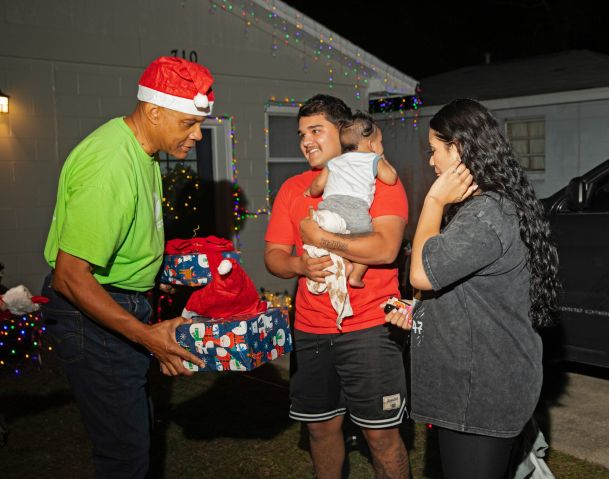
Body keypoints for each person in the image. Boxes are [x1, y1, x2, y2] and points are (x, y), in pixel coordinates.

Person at [40, 56, 214, 478]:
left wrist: (154, 276)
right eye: (188, 123)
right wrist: (147, 336)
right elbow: (69, 276)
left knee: (135, 436)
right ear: (153, 111)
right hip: (93, 314)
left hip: (118, 303)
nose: (197, 135)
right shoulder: (110, 163)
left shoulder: (142, 150)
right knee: (125, 455)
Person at [386, 98, 560, 479]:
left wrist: (433, 200)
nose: (431, 162)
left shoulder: (485, 214)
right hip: (483, 387)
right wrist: (421, 312)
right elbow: (479, 294)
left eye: (434, 151)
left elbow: (421, 274)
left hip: (480, 396)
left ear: (459, 148)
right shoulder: (490, 207)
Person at [264, 94, 410, 479]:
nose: (306, 141)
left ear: (343, 131)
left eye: (315, 131)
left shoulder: (378, 179)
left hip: (369, 327)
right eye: (301, 134)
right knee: (320, 429)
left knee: (381, 436)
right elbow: (274, 255)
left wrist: (321, 239)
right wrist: (298, 264)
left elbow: (385, 248)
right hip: (311, 329)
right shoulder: (293, 189)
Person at [305, 111, 398, 288]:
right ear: (371, 145)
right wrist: (382, 158)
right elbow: (391, 178)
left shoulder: (334, 162)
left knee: (335, 239)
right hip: (355, 211)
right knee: (365, 243)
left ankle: (343, 264)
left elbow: (318, 185)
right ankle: (355, 274)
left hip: (329, 211)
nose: (381, 146)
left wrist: (309, 191)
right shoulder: (373, 159)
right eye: (380, 142)